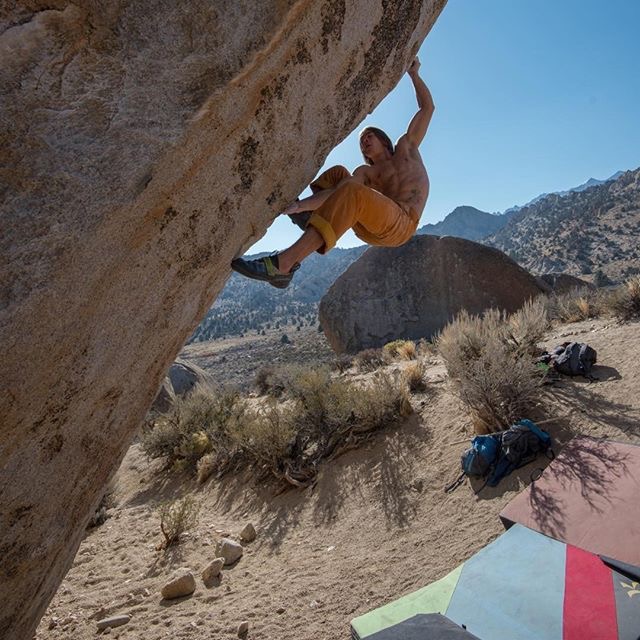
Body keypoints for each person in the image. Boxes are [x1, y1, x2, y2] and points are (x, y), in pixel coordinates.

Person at [231, 57, 434, 288]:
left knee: (352, 191)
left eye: (369, 136)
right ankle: (310, 218)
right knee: (340, 176)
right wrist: (299, 206)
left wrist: (414, 75)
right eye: (361, 142)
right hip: (373, 226)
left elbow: (427, 108)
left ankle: (283, 265)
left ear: (383, 139)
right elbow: (338, 192)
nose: (365, 141)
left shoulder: (406, 146)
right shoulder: (367, 172)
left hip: (402, 225)